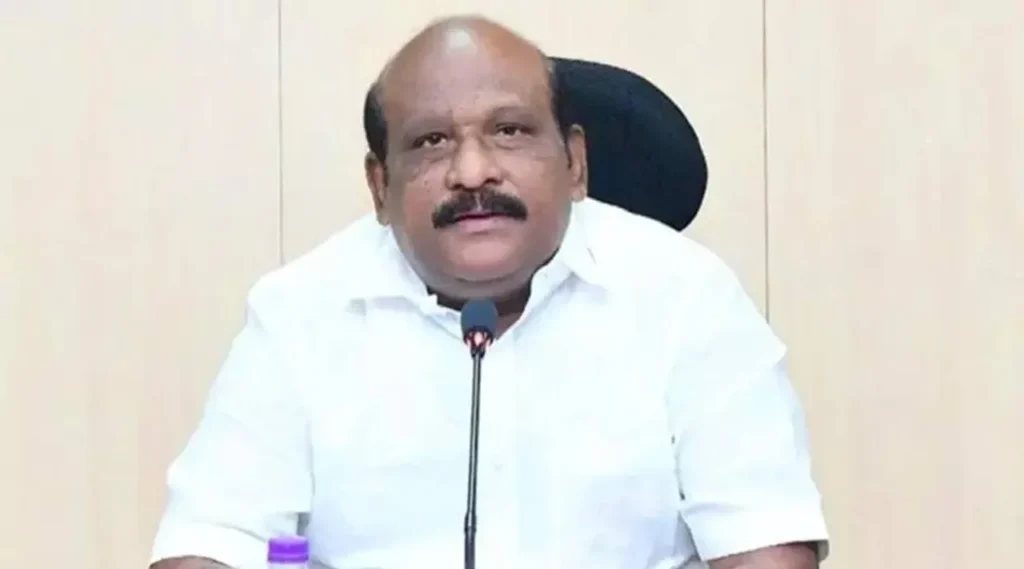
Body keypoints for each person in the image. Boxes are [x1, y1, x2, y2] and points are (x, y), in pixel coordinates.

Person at [149, 15, 829, 569]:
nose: (472, 171)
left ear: (576, 163)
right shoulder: (299, 313)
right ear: (380, 186)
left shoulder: (686, 296)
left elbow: (764, 542)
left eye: (509, 131)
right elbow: (210, 541)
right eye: (431, 141)